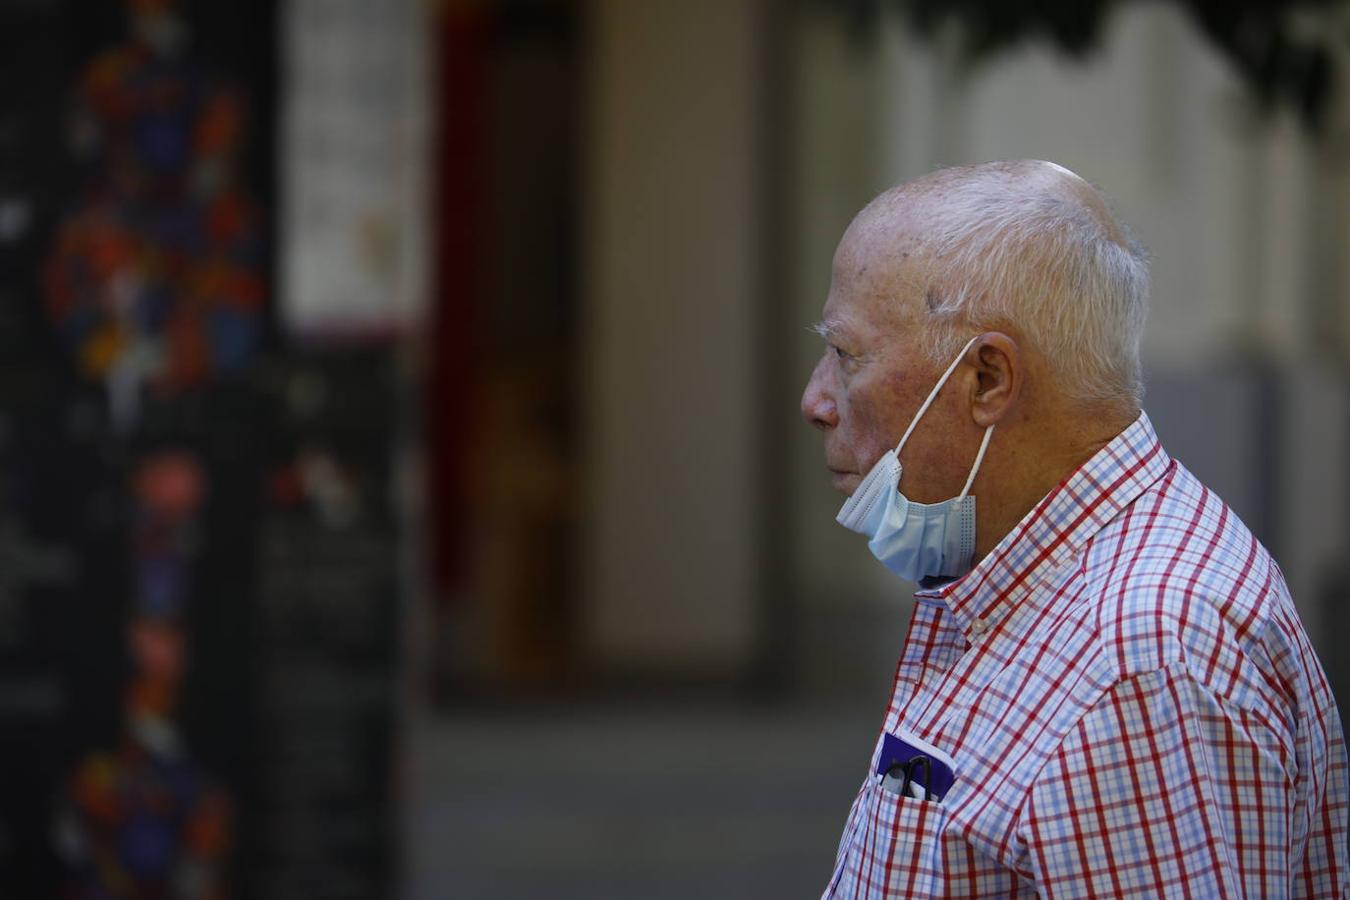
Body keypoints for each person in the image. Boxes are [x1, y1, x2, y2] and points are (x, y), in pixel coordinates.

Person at [800, 160, 1348, 898]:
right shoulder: (1032, 583)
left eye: (846, 355)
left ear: (988, 379)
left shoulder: (1141, 659)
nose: (817, 399)